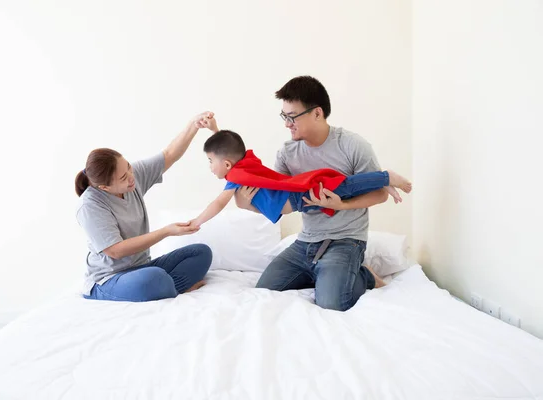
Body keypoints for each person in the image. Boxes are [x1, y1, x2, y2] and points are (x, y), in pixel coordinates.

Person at [235, 76, 395, 311]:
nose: (287, 124)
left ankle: (364, 276)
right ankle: (327, 275)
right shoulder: (288, 153)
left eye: (292, 117)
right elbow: (280, 201)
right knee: (263, 293)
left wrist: (343, 205)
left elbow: (381, 194)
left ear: (317, 113)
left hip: (345, 241)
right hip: (305, 243)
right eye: (284, 116)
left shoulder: (353, 145)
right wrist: (246, 203)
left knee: (332, 303)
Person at [75, 112, 218, 302]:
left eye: (128, 167)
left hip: (142, 267)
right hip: (110, 279)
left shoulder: (131, 176)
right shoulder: (90, 206)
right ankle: (171, 287)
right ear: (104, 187)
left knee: (201, 253)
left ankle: (167, 287)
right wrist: (166, 231)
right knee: (154, 278)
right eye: (123, 178)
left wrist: (194, 124)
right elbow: (116, 250)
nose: (131, 176)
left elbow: (169, 155)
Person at [189, 130, 411, 227]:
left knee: (346, 186)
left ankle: (386, 176)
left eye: (210, 161)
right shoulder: (244, 165)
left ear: (227, 164)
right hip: (301, 202)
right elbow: (227, 147)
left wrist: (198, 220)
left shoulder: (236, 175)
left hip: (301, 196)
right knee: (347, 188)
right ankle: (385, 181)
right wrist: (214, 130)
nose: (210, 166)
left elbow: (219, 202)